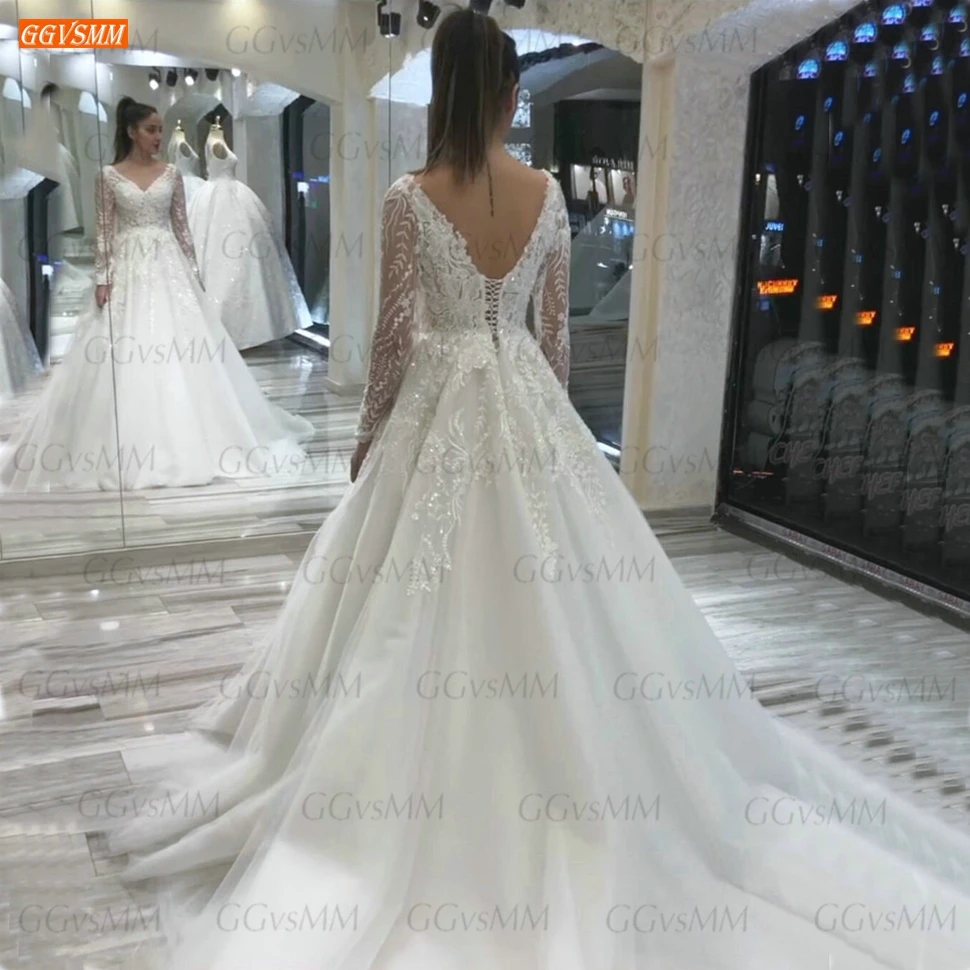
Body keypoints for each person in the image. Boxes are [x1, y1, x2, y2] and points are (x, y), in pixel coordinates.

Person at [109, 13, 970, 969]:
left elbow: (392, 340)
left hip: (437, 404)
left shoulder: (408, 197)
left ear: (443, 91)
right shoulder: (549, 193)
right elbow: (552, 341)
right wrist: (552, 443)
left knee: (399, 594)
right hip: (523, 398)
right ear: (510, 95)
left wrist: (369, 437)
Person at [0, 97, 311, 491]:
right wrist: (103, 279)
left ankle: (195, 436)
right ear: (132, 131)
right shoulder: (108, 177)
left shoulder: (171, 175)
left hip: (169, 267)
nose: (158, 137)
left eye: (160, 129)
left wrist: (195, 276)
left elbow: (182, 229)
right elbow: (105, 232)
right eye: (151, 130)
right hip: (128, 265)